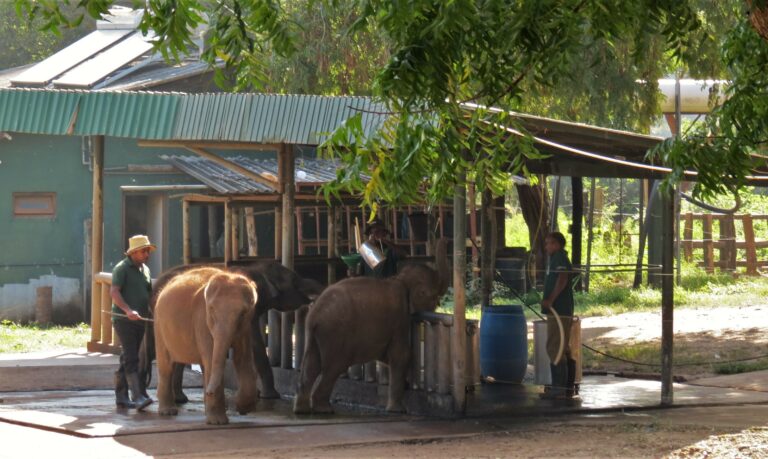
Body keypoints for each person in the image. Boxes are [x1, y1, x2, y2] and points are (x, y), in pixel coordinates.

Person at [110, 234, 155, 410]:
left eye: (148, 251)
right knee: (132, 358)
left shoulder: (146, 270)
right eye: (144, 251)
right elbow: (114, 292)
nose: (147, 254)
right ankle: (138, 397)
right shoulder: (121, 268)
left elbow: (149, 294)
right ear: (134, 252)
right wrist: (128, 310)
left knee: (128, 357)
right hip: (124, 320)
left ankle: (121, 396)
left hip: (141, 320)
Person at [539, 231, 578, 400]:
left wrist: (550, 299)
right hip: (560, 311)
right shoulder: (555, 259)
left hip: (559, 310)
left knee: (555, 347)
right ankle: (567, 387)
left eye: (549, 243)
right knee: (563, 347)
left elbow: (562, 279)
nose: (547, 247)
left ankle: (559, 388)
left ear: (557, 244)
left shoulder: (560, 258)